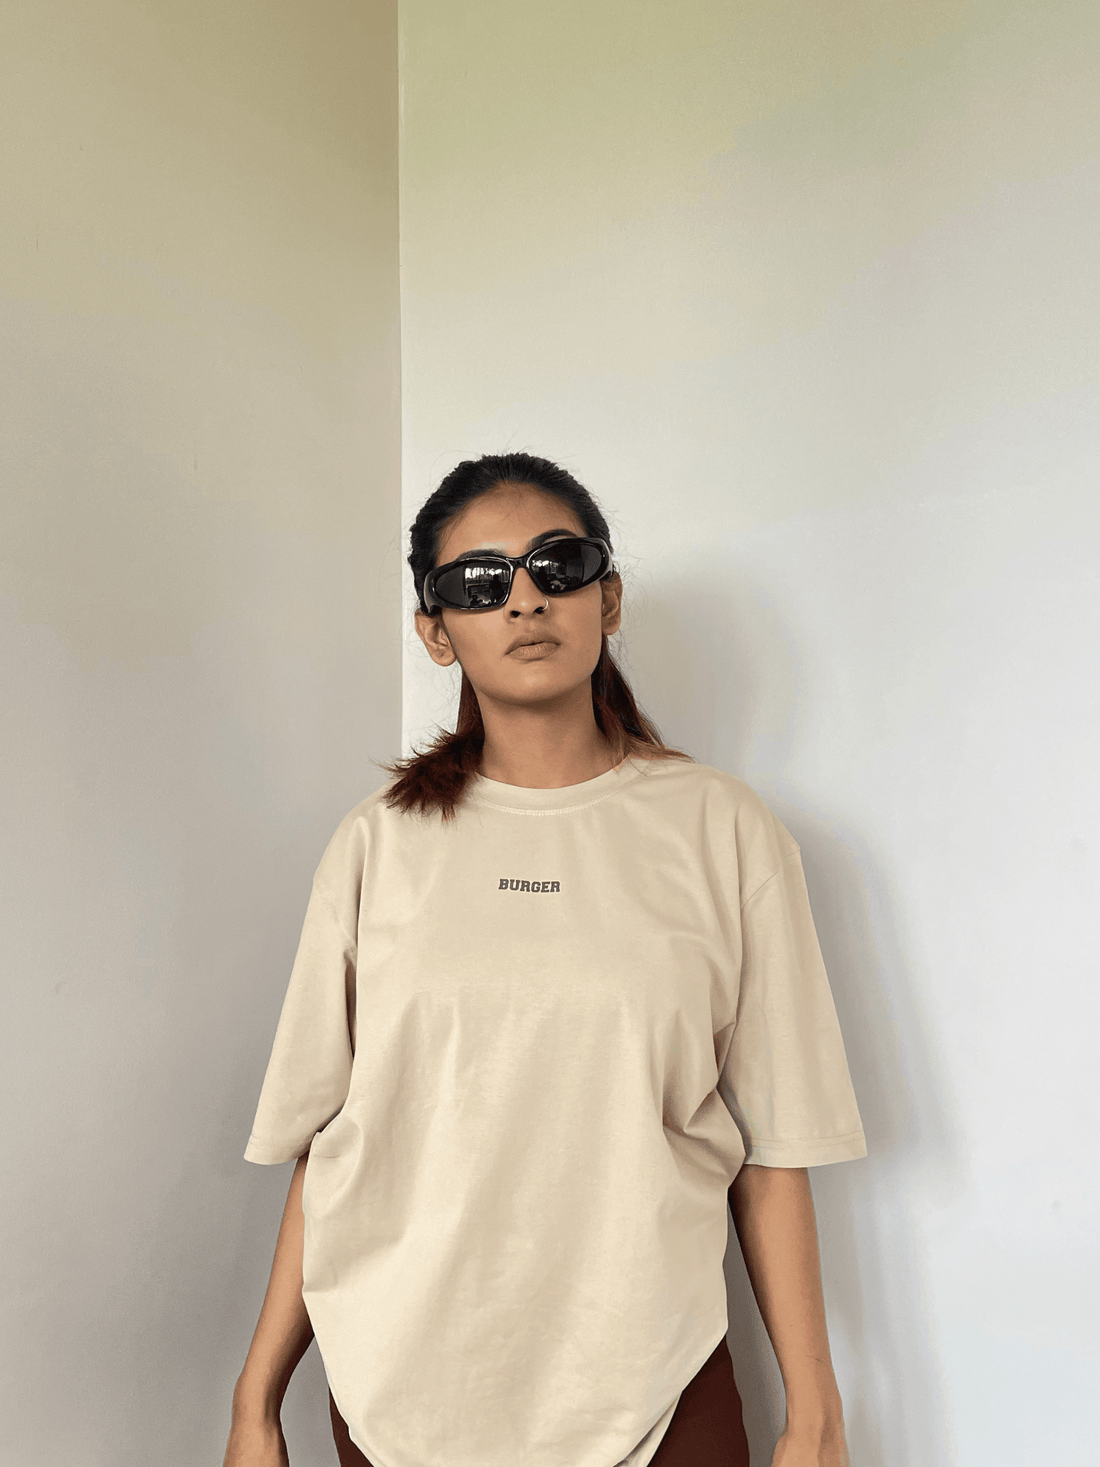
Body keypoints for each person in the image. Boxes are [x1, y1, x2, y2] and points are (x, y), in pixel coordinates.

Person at [222, 453, 867, 1467]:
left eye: (556, 565)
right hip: (402, 1391)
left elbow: (774, 1149)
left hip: (653, 1383)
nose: (524, 598)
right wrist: (255, 1402)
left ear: (607, 598)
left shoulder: (722, 830)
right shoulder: (378, 843)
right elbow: (333, 1143)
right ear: (436, 632)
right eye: (479, 582)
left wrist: (815, 1413)